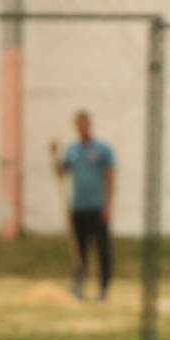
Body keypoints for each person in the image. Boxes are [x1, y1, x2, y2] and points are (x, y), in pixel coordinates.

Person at [49, 110, 116, 300]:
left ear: (90, 125)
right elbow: (61, 173)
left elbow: (110, 177)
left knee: (102, 248)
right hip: (78, 207)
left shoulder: (103, 150)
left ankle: (104, 287)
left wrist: (108, 204)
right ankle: (79, 285)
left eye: (85, 123)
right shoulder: (72, 151)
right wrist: (55, 155)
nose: (82, 127)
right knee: (80, 250)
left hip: (98, 206)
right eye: (79, 124)